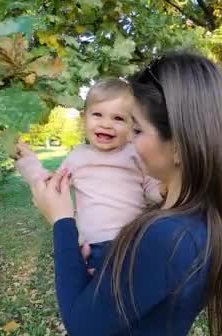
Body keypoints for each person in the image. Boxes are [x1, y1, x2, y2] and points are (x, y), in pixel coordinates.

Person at [29, 51, 222, 336]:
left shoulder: (167, 237)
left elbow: (82, 327)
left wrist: (61, 221)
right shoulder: (199, 219)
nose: (128, 140)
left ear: (180, 146)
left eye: (137, 129)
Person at [14, 79, 163, 270]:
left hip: (135, 241)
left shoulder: (135, 153)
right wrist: (29, 163)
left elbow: (150, 187)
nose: (106, 124)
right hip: (95, 246)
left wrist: (165, 190)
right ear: (84, 118)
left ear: (132, 125)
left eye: (118, 118)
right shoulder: (77, 157)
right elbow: (54, 187)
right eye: (98, 115)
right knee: (99, 293)